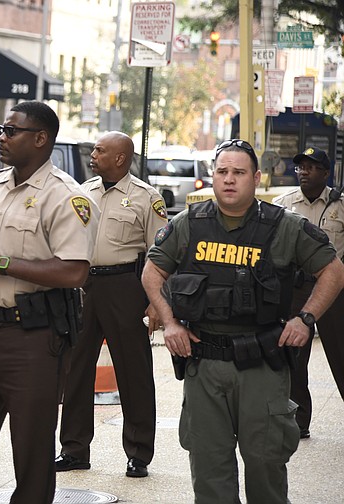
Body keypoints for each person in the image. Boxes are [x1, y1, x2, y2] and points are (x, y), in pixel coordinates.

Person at [141, 139, 344, 503]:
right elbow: (152, 271)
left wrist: (305, 318)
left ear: (256, 177)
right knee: (209, 473)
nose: (229, 180)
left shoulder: (284, 226)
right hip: (204, 366)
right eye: (222, 172)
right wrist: (170, 322)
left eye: (239, 172)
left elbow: (333, 271)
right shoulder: (189, 224)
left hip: (261, 367)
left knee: (265, 469)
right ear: (212, 176)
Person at [0, 101, 99, 504]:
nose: (1, 137)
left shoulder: (66, 196)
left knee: (31, 450)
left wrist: (5, 263)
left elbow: (74, 271)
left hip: (35, 337)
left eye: (11, 131)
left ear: (40, 138)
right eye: (2, 129)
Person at [56, 131, 165, 478]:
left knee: (133, 372)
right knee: (75, 369)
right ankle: (73, 449)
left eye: (100, 151)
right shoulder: (83, 193)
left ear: (120, 158)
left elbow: (160, 255)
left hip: (126, 288)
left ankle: (138, 453)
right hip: (85, 287)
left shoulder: (147, 198)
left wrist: (155, 303)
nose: (93, 155)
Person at [272, 147, 344, 439]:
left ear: (325, 174)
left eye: (311, 167)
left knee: (340, 354)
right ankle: (299, 421)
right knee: (293, 355)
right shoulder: (282, 204)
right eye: (301, 167)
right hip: (297, 287)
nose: (303, 171)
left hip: (335, 290)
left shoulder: (341, 206)